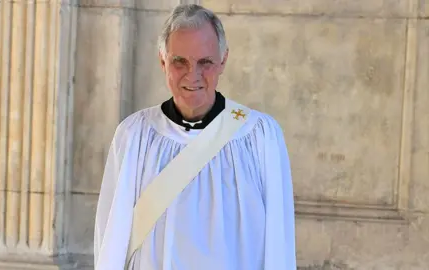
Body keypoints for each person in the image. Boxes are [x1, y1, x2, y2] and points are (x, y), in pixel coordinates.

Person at [94, 4, 296, 270]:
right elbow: (111, 240)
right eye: (180, 62)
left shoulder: (259, 137)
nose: (193, 75)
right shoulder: (134, 137)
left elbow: (279, 245)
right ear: (162, 61)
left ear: (223, 60)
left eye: (205, 62)